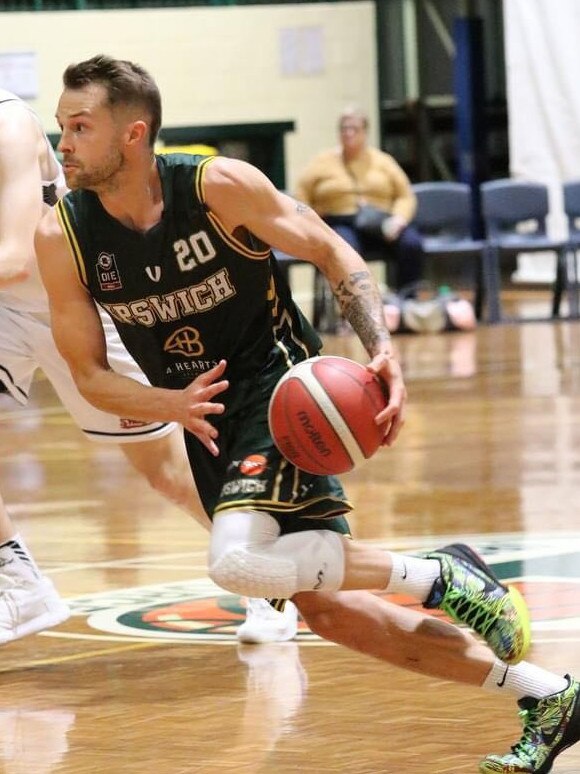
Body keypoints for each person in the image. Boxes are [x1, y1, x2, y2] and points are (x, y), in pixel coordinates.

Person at [34, 55, 579, 773]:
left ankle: (443, 577)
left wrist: (382, 347)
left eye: (80, 127)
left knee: (233, 561)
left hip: (282, 387)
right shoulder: (63, 235)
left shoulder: (216, 185)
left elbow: (331, 250)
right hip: (204, 418)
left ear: (133, 135)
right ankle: (549, 696)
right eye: (61, 127)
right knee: (333, 614)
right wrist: (166, 403)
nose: (63, 143)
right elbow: (89, 376)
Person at [0, 87, 296, 646]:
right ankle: (18, 580)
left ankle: (264, 577)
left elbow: (15, 258)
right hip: (4, 312)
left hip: (74, 307)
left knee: (166, 474)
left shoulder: (8, 124)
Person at [294, 106, 424, 294]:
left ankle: (406, 302)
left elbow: (405, 195)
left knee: (412, 244)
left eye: (354, 128)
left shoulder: (383, 161)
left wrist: (399, 219)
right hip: (340, 223)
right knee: (347, 251)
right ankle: (353, 311)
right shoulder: (322, 162)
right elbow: (301, 194)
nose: (348, 133)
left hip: (378, 223)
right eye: (344, 128)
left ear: (365, 132)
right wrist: (313, 220)